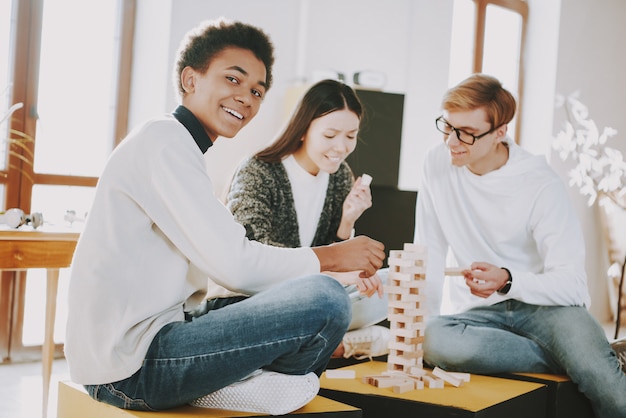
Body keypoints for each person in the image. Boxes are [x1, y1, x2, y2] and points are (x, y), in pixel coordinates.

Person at [64, 18, 385, 416]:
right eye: (233, 80)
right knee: (325, 300)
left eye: (256, 90)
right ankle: (242, 385)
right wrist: (335, 257)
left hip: (165, 333)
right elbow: (237, 264)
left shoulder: (181, 148)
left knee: (336, 294)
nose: (246, 98)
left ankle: (244, 382)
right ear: (190, 79)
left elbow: (236, 257)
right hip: (130, 367)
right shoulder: (165, 143)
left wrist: (341, 262)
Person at [414, 73, 626, 417]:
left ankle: (589, 356)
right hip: (481, 315)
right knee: (431, 339)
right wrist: (419, 329)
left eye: (467, 133)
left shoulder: (540, 184)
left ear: (500, 133)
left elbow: (573, 285)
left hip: (549, 309)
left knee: (611, 394)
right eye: (447, 126)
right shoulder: (436, 163)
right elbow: (430, 249)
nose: (452, 142)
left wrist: (508, 279)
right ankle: (586, 353)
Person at [221, 79, 390, 360]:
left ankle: (307, 342)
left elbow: (333, 256)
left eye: (350, 136)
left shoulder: (339, 177)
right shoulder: (258, 171)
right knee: (329, 301)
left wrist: (347, 222)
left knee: (393, 283)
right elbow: (255, 255)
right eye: (330, 135)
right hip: (260, 298)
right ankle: (335, 346)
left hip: (318, 297)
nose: (341, 147)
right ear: (303, 130)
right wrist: (332, 277)